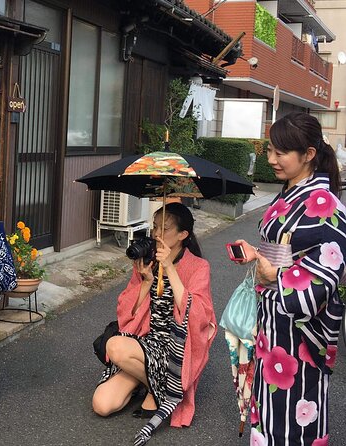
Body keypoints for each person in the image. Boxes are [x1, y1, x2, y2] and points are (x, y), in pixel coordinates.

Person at [235, 112, 346, 445]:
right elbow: (285, 249)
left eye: (279, 153)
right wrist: (258, 255)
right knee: (269, 402)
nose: (271, 160)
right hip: (274, 321)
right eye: (269, 150)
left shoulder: (326, 206)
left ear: (309, 155)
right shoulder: (293, 193)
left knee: (297, 407)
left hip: (300, 328)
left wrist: (276, 273)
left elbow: (330, 270)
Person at [92, 202, 216, 444]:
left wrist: (170, 267)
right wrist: (147, 281)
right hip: (144, 342)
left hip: (175, 349)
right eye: (154, 227)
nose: (156, 234)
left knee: (115, 346)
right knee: (102, 405)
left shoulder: (199, 267)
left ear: (183, 235)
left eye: (165, 229)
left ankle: (154, 383)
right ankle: (159, 386)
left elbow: (199, 316)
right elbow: (127, 313)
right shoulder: (148, 261)